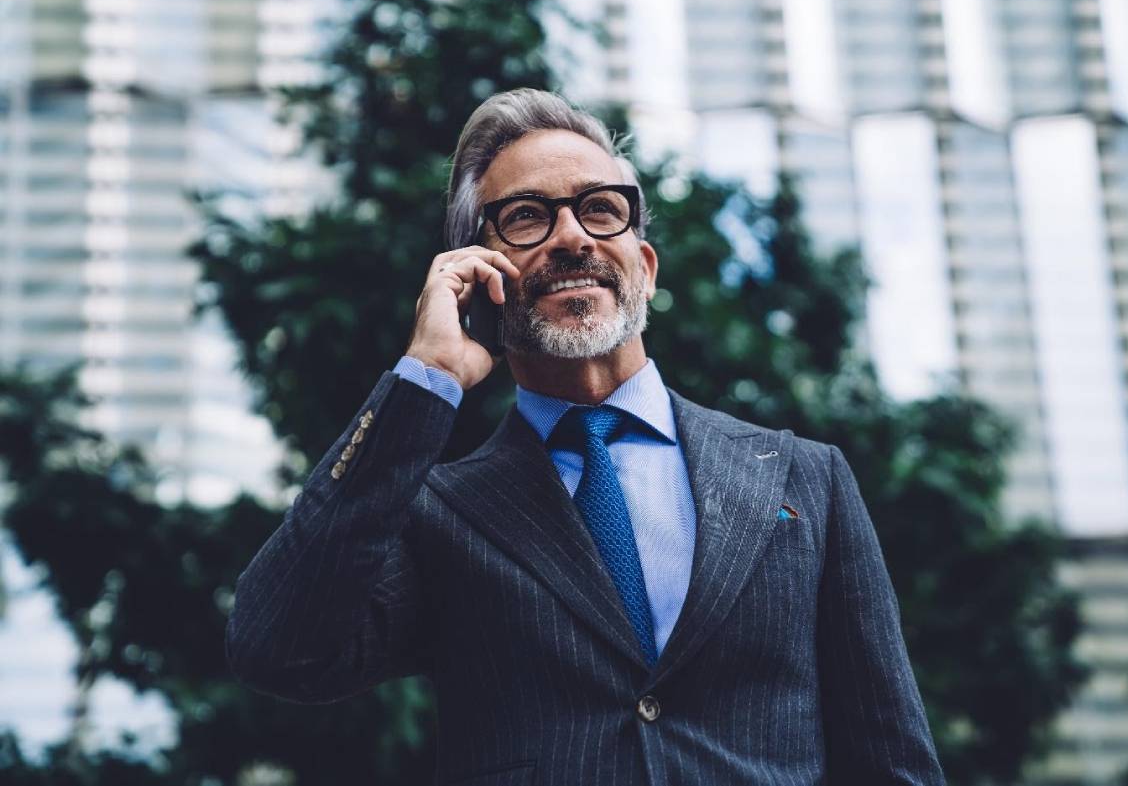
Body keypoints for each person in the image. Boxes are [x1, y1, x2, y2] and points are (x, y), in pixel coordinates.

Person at [225, 88, 946, 786]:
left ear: (646, 264)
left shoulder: (805, 478)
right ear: (478, 279)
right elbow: (277, 648)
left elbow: (892, 760)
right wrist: (426, 377)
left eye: (601, 210)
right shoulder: (437, 512)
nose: (572, 237)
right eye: (528, 217)